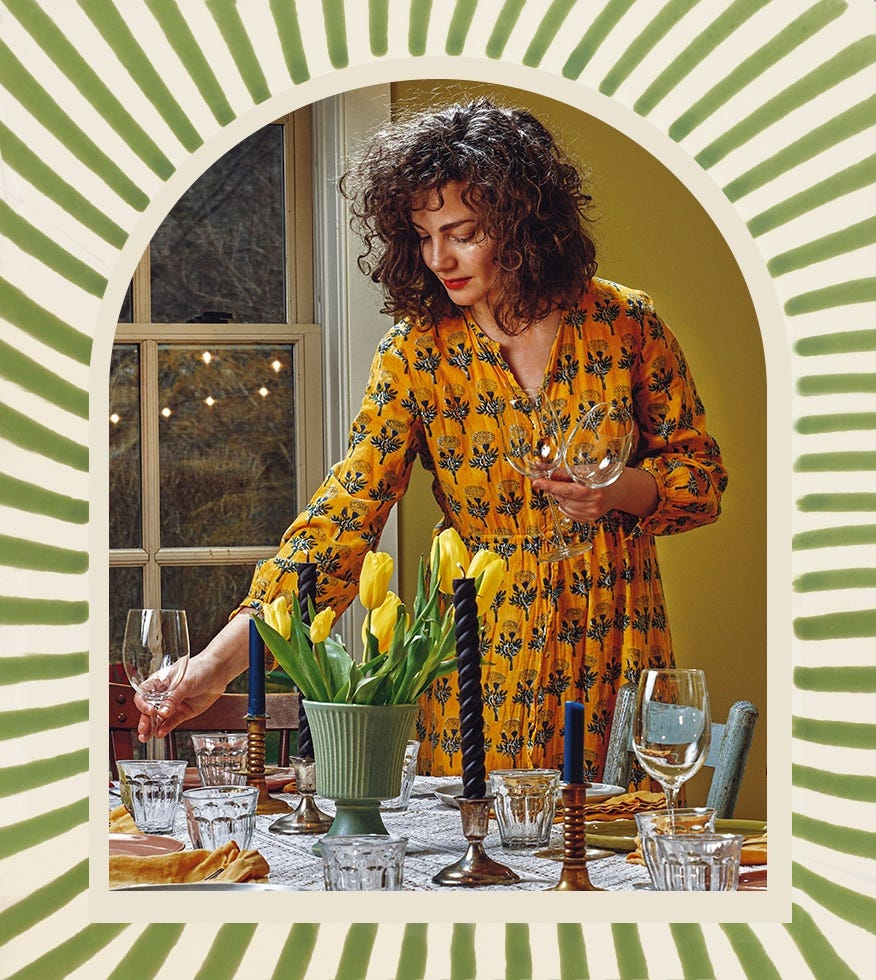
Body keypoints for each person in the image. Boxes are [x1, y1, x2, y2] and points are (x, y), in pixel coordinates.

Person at [135, 98, 727, 786]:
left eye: (463, 232)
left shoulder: (626, 323)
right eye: (422, 235)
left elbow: (701, 479)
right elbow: (341, 523)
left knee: (624, 857)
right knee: (481, 858)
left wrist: (616, 491)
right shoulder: (415, 355)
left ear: (524, 223)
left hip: (619, 634)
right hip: (483, 657)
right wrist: (214, 666)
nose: (439, 257)